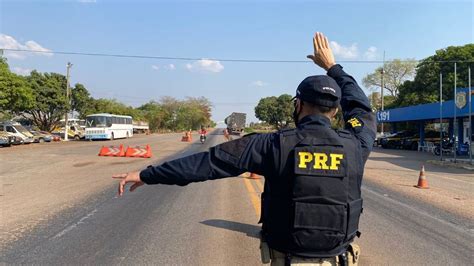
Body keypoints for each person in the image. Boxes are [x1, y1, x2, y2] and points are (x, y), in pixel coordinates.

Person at [112, 32, 376, 266]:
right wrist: (333, 67)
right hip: (339, 259)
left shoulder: (272, 144)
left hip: (287, 259)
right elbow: (362, 108)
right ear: (336, 110)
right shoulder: (356, 145)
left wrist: (147, 174)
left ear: (298, 105)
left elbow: (206, 164)